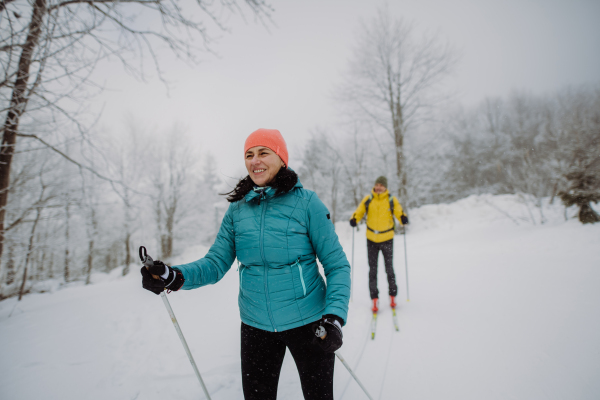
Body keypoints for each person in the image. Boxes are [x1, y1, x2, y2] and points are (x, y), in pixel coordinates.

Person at [140, 128, 351, 400]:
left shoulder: (306, 203)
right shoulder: (238, 209)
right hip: (256, 325)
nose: (255, 160)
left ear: (281, 158)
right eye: (249, 155)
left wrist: (334, 317)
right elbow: (215, 263)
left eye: (263, 152)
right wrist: (173, 276)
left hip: (309, 324)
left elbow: (337, 265)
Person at [349, 176, 408, 312]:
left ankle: (392, 296)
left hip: (387, 238)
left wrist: (402, 218)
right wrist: (354, 219)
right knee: (373, 270)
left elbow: (398, 210)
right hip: (371, 240)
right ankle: (374, 299)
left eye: (382, 185)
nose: (379, 187)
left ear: (386, 187)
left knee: (389, 268)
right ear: (375, 186)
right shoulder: (369, 199)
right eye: (377, 185)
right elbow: (359, 211)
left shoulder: (391, 199)